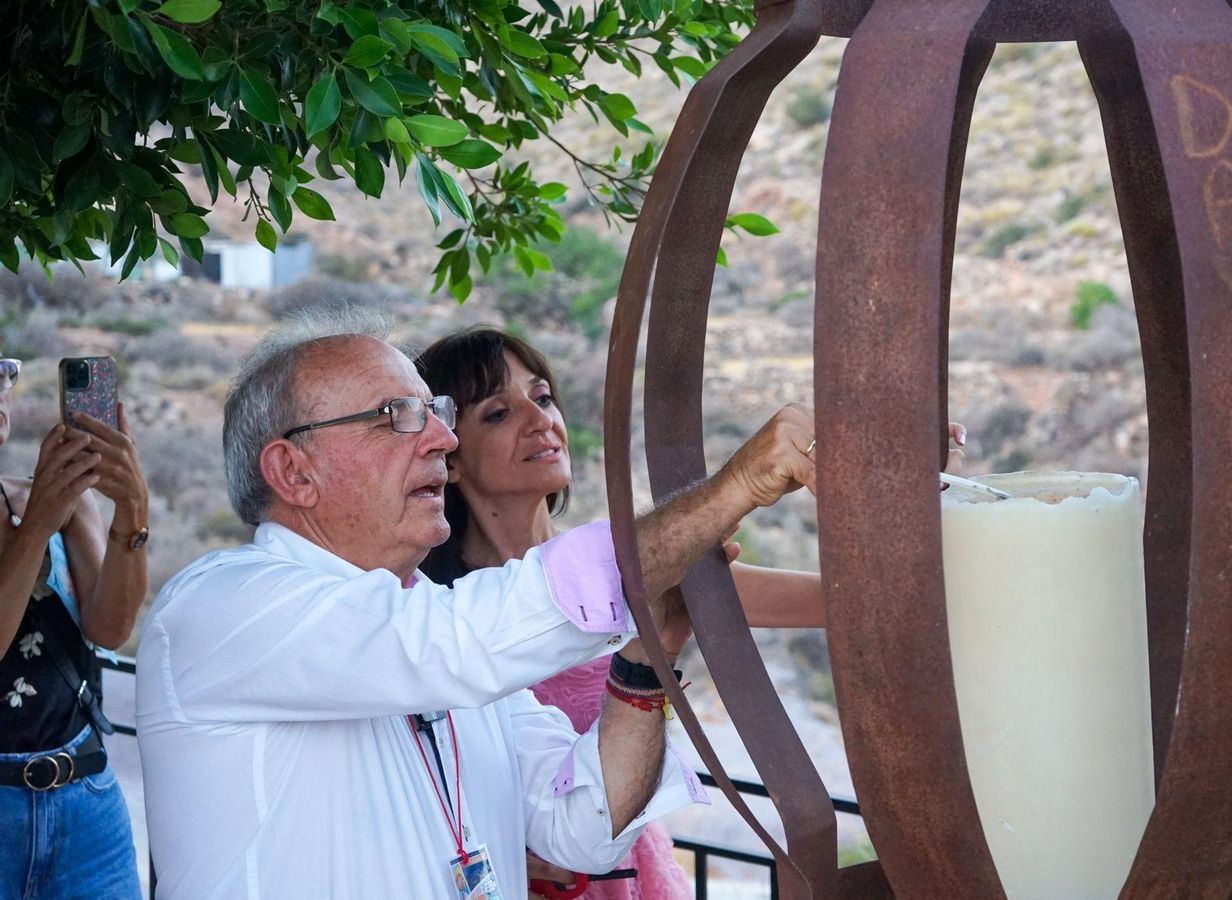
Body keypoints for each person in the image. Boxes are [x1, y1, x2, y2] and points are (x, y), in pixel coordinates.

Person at [135, 310, 819, 899]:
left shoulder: (440, 624)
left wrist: (646, 658)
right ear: (294, 472)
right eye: (395, 418)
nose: (442, 437)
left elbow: (583, 829)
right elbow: (456, 644)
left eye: (432, 413)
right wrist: (735, 487)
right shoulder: (223, 608)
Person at [415, 327, 831, 898]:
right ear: (449, 460)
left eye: (542, 397)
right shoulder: (436, 618)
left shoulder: (618, 563)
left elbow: (830, 602)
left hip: (637, 879)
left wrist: (925, 498)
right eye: (497, 414)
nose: (541, 422)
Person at [0, 354, 150, 899]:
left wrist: (132, 508)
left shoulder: (56, 498)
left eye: (2, 371)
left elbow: (110, 628)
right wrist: (37, 523)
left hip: (85, 801)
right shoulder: (45, 505)